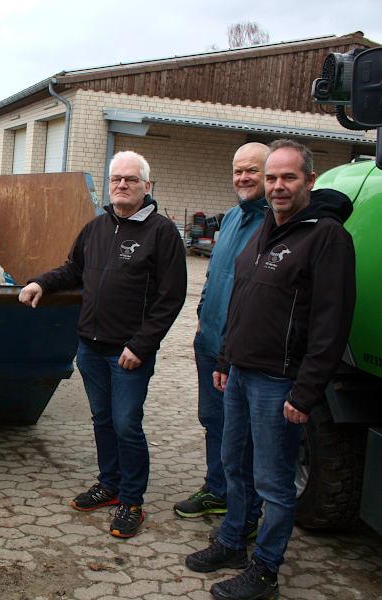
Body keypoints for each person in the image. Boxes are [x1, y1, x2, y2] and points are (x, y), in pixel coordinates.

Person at [185, 139, 356, 600]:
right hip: (240, 372)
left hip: (279, 381)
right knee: (233, 463)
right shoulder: (265, 228)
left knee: (274, 481)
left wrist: (306, 392)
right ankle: (233, 541)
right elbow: (242, 299)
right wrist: (225, 359)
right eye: (272, 178)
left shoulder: (326, 237)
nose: (278, 187)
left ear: (310, 181)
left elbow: (331, 323)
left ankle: (265, 570)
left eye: (288, 178)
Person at [18, 150, 186, 539]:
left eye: (130, 179)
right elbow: (73, 269)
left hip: (128, 353)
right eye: (116, 179)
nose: (122, 185)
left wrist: (142, 345)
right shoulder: (95, 228)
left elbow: (171, 298)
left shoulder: (162, 233)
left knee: (127, 424)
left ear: (147, 186)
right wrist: (41, 282)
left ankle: (132, 500)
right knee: (102, 420)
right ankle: (109, 485)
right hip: (90, 348)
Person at [173, 143, 269, 539]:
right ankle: (217, 490)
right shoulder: (231, 218)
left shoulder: (275, 223)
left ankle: (243, 508)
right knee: (212, 420)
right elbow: (215, 274)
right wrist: (200, 321)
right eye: (238, 171)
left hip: (243, 352)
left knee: (240, 433)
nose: (244, 178)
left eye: (253, 171)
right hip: (210, 342)